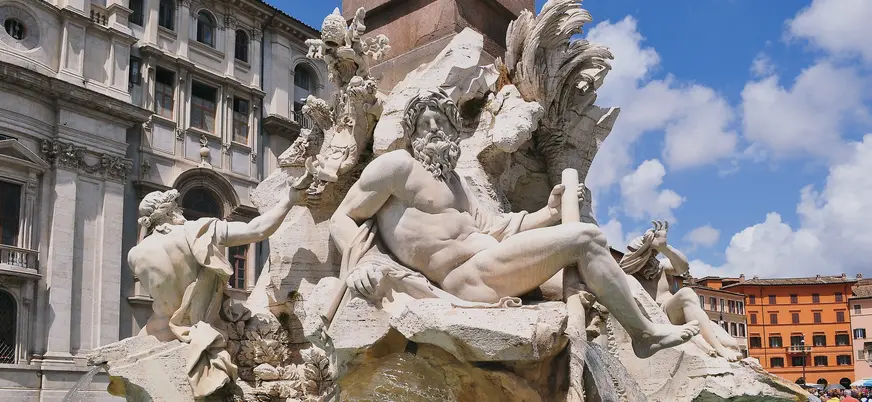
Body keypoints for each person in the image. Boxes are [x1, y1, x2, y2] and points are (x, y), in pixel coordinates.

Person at [330, 89, 700, 358]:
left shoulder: (457, 184)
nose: (432, 128)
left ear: (452, 130)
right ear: (411, 135)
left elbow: (497, 228)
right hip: (464, 279)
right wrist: (363, 263)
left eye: (440, 120)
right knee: (586, 237)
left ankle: (640, 331)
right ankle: (645, 335)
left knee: (591, 274)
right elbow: (342, 217)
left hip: (493, 265)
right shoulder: (397, 167)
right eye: (423, 123)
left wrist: (551, 211)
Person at [129, 180, 302, 397]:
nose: (181, 211)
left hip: (159, 332)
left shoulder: (135, 254)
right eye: (176, 206)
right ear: (169, 212)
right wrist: (289, 200)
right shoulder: (198, 231)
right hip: (203, 328)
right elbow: (257, 229)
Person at [620, 222, 743, 361]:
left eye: (653, 254)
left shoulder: (661, 267)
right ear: (639, 257)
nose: (652, 258)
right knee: (687, 293)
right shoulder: (630, 276)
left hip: (684, 310)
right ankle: (720, 350)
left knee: (733, 344)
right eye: (649, 254)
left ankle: (717, 345)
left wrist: (664, 248)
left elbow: (683, 267)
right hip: (662, 314)